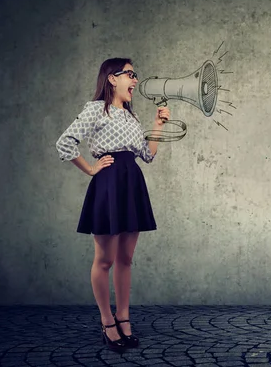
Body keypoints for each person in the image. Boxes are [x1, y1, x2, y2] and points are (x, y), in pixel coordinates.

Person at [55, 58, 170, 351]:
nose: (135, 80)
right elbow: (65, 143)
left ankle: (124, 316)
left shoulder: (131, 116)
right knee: (104, 259)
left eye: (135, 75)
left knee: (126, 259)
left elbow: (147, 154)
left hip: (132, 183)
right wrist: (91, 169)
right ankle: (107, 321)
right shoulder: (96, 109)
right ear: (111, 78)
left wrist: (156, 125)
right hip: (108, 186)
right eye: (129, 74)